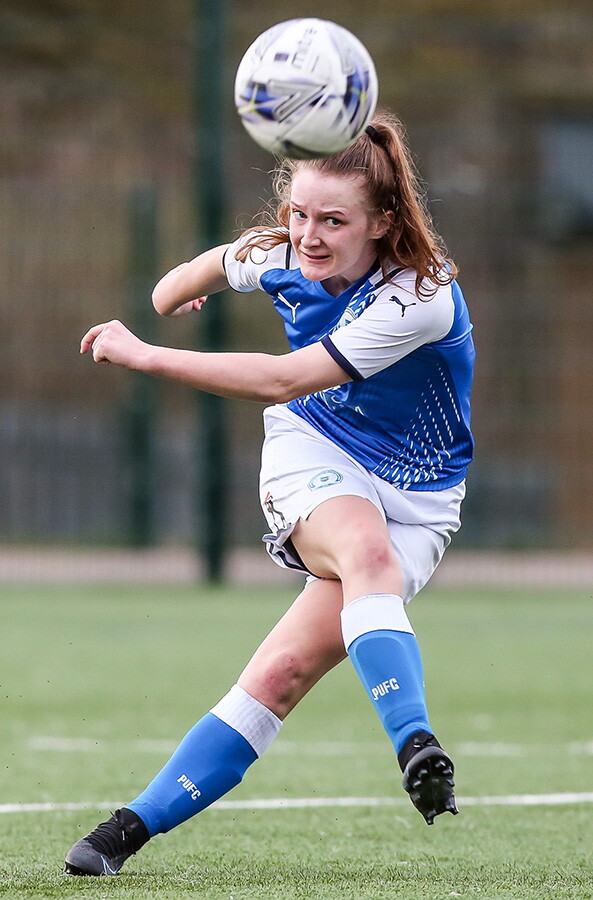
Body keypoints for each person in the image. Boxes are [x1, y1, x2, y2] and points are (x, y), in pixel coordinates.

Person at [64, 112, 474, 876]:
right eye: (297, 214)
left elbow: (285, 373)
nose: (308, 236)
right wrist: (200, 279)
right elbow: (167, 291)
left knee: (281, 675)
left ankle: (122, 832)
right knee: (363, 551)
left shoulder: (420, 293)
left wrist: (146, 355)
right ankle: (417, 742)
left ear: (383, 223)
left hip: (420, 497)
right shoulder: (279, 253)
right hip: (312, 449)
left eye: (333, 221)